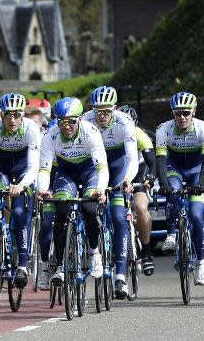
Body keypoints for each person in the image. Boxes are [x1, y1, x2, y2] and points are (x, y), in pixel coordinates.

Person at [37, 97, 108, 286]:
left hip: (89, 173)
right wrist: (42, 189)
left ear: (80, 119)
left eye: (71, 121)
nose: (66, 126)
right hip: (66, 174)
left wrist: (100, 189)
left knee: (90, 210)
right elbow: (44, 170)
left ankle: (94, 252)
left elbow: (102, 167)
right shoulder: (50, 136)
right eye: (61, 122)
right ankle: (60, 266)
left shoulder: (91, 132)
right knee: (60, 212)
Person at [83, 86, 138, 298]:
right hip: (94, 168)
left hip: (117, 168)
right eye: (98, 110)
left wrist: (127, 179)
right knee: (87, 210)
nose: (102, 115)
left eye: (106, 111)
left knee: (118, 217)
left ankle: (121, 277)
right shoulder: (86, 120)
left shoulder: (125, 121)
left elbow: (132, 158)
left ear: (115, 108)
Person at [155, 92, 204, 285]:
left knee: (197, 215)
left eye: (186, 113)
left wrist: (202, 183)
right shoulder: (163, 129)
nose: (182, 117)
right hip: (175, 169)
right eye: (178, 113)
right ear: (173, 113)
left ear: (194, 112)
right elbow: (161, 161)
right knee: (172, 188)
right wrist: (163, 183)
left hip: (197, 170)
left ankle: (201, 264)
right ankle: (171, 233)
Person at [0, 92, 41, 288]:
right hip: (1, 169)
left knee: (18, 213)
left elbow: (34, 166)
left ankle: (23, 265)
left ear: (23, 115)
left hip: (24, 172)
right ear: (1, 116)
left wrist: (22, 185)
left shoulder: (31, 128)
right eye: (7, 115)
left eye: (16, 114)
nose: (12, 119)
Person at [118, 104, 156, 276]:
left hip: (138, 173)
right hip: (118, 172)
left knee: (141, 207)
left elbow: (153, 163)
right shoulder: (110, 133)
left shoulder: (140, 134)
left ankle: (146, 251)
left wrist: (150, 179)